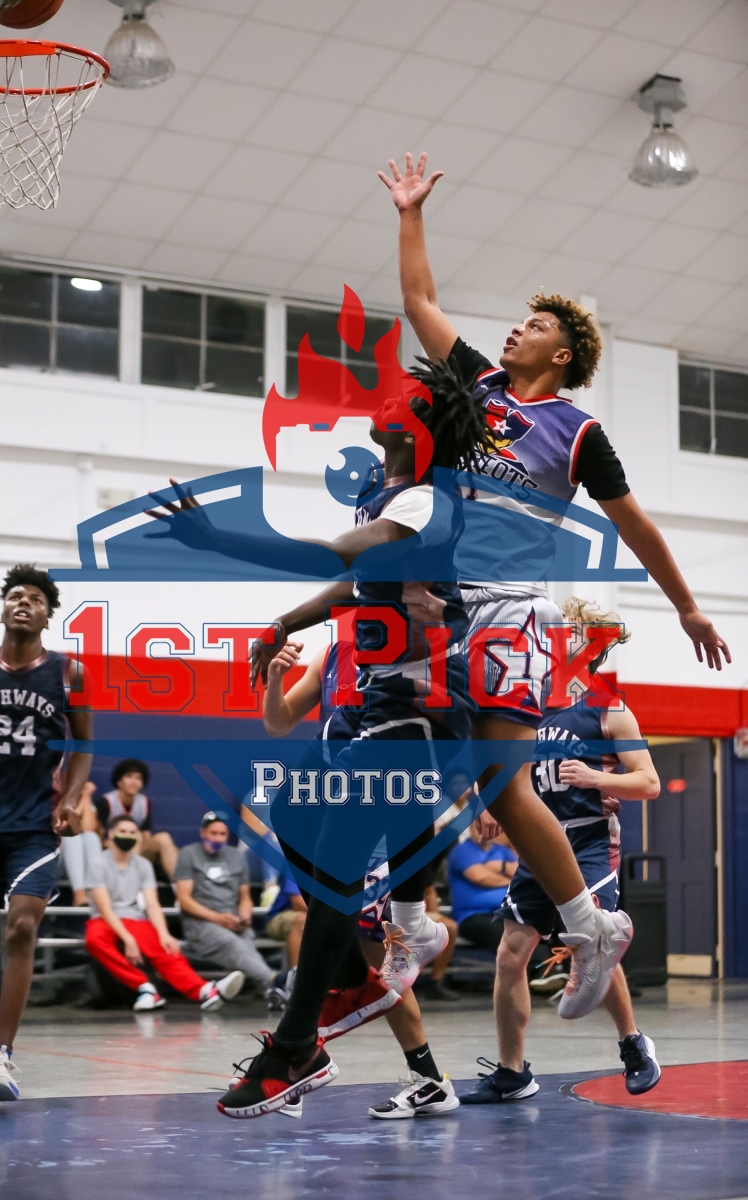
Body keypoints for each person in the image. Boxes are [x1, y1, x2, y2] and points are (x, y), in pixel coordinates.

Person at [376, 148, 730, 1020]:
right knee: (420, 760)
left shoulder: (576, 432)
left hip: (509, 612)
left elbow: (635, 525)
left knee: (500, 785)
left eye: (531, 325)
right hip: (449, 613)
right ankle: (431, 919)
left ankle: (572, 924)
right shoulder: (479, 386)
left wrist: (687, 605)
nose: (513, 330)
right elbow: (420, 302)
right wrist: (410, 214)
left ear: (561, 351)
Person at [148, 361, 491, 1118]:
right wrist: (285, 622)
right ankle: (361, 970)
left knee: (334, 873)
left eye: (404, 396)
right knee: (295, 817)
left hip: (419, 714)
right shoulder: (389, 495)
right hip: (372, 711)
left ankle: (296, 1048)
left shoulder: (426, 498)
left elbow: (337, 555)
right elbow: (353, 583)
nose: (386, 395)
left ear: (419, 428)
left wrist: (218, 539)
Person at [460, 599, 662, 1105]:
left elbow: (649, 782)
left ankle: (634, 1045)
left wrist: (598, 777)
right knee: (510, 954)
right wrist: (484, 801)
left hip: (589, 839)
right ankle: (512, 1071)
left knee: (590, 935)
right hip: (539, 840)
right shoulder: (530, 707)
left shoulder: (609, 709)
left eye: (567, 635)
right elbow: (497, 766)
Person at [261, 645, 459, 1122]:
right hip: (333, 819)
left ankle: (297, 1064)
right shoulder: (332, 656)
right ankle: (427, 1078)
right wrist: (274, 680)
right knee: (363, 961)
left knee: (358, 953)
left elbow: (452, 732)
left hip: (379, 826)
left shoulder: (416, 651)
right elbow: (278, 723)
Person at [0, 564, 92, 1102]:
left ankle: (2, 1057)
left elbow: (84, 745)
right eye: (15, 595)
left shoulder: (70, 672)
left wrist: (71, 799)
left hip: (36, 822)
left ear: (48, 615)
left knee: (22, 928)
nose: (23, 602)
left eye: (35, 598)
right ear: (3, 608)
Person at [85, 814, 244, 1013]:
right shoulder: (97, 864)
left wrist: (164, 933)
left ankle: (205, 991)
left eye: (132, 832)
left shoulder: (143, 865)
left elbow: (152, 904)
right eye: (123, 831)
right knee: (94, 939)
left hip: (134, 918)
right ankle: (144, 988)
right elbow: (104, 908)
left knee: (166, 947)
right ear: (111, 834)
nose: (128, 835)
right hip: (104, 919)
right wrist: (128, 939)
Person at [174, 813, 279, 996]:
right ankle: (275, 981)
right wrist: (217, 918)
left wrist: (244, 917)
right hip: (201, 923)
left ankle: (271, 992)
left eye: (222, 834)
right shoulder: (188, 854)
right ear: (203, 833)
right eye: (213, 833)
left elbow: (245, 896)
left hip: (233, 920)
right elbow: (184, 899)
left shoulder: (236, 856)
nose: (218, 838)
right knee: (234, 944)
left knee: (246, 938)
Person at [93, 759, 178, 882]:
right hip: (111, 849)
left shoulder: (144, 803)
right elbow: (100, 838)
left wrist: (169, 849)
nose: (134, 782)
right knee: (133, 836)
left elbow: (146, 835)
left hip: (137, 849)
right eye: (129, 776)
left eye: (138, 778)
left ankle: (178, 887)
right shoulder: (106, 802)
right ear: (119, 781)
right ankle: (131, 885)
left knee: (164, 839)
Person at [447, 826, 517, 955]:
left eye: (487, 826)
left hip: (504, 912)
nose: (482, 829)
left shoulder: (502, 851)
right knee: (504, 938)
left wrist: (501, 866)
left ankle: (539, 966)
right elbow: (480, 877)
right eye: (478, 825)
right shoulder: (462, 850)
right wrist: (509, 879)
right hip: (472, 915)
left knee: (527, 931)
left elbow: (521, 873)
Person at [265, 872, 307, 968]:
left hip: (317, 917)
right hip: (280, 916)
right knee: (301, 920)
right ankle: (295, 973)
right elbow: (298, 902)